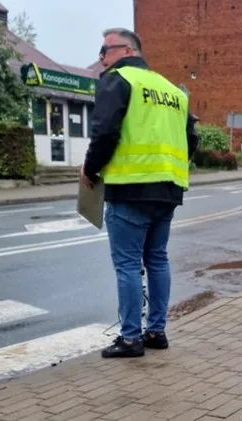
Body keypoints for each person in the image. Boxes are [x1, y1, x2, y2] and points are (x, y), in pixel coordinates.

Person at [80, 28, 199, 358]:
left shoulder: (118, 80)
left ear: (126, 49)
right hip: (168, 190)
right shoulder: (172, 90)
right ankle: (156, 332)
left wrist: (90, 170)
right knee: (157, 259)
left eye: (105, 50)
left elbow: (104, 131)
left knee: (129, 265)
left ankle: (131, 338)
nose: (101, 58)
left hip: (130, 190)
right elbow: (193, 139)